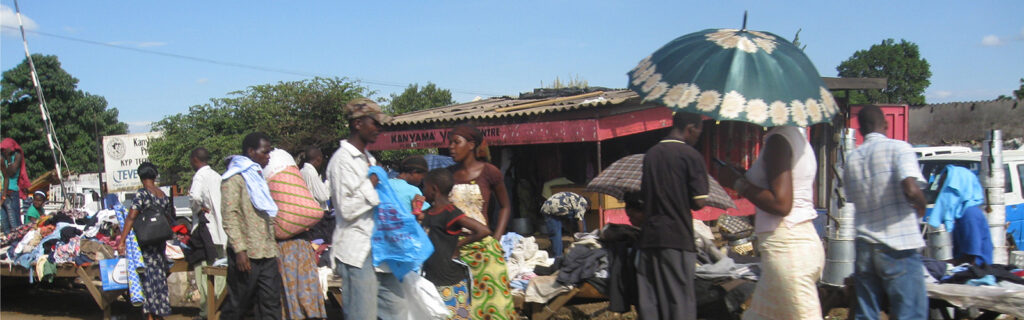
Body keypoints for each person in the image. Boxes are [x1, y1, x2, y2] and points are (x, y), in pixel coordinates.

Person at [717, 124, 824, 319]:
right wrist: (744, 176)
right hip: (795, 243)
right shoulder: (796, 139)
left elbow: (781, 204)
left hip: (788, 250)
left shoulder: (779, 141)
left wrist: (737, 182)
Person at [844, 105, 929, 320]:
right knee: (909, 313)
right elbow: (910, 188)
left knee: (866, 313)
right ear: (886, 124)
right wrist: (922, 205)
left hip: (865, 245)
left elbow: (852, 198)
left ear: (861, 130)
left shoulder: (853, 159)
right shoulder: (899, 148)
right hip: (898, 245)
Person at [327, 98, 407, 320]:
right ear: (357, 124)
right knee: (362, 315)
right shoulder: (342, 161)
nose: (379, 128)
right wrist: (371, 182)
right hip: (357, 251)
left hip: (382, 248)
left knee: (397, 311)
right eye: (375, 123)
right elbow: (346, 209)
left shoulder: (369, 158)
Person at [636, 111, 708, 320]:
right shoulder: (691, 156)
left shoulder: (652, 154)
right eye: (699, 133)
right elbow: (699, 202)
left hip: (649, 237)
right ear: (690, 129)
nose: (698, 138)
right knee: (679, 302)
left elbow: (646, 193)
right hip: (677, 237)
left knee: (651, 303)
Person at [447, 123, 515, 320]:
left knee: (495, 303)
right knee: (461, 303)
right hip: (455, 248)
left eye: (456, 142)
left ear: (471, 144)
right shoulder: (448, 174)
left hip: (484, 250)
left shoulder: (489, 172)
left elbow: (505, 206)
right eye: (449, 143)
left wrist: (496, 238)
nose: (451, 147)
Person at [220, 132, 283, 320]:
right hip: (246, 254)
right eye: (265, 152)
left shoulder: (258, 178)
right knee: (238, 305)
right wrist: (240, 250)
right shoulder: (233, 179)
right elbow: (229, 216)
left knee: (270, 303)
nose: (268, 156)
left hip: (267, 252)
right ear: (251, 152)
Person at [262, 148, 327, 320]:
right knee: (307, 292)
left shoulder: (263, 177)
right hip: (303, 244)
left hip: (283, 248)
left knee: (289, 295)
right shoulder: (291, 167)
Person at [419, 168, 491, 320]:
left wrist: (458, 245)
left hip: (450, 280)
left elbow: (483, 230)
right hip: (432, 278)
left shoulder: (451, 212)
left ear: (434, 189)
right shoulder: (430, 212)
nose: (422, 190)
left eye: (424, 186)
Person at [116, 162, 172, 319]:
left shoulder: (142, 194)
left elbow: (131, 217)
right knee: (159, 279)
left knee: (147, 281)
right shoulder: (162, 195)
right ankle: (160, 312)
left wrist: (122, 240)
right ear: (154, 176)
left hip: (146, 246)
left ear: (141, 177)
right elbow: (168, 218)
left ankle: (149, 315)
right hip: (159, 245)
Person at [187, 147, 227, 320]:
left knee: (203, 270)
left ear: (195, 159)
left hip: (206, 230)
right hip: (220, 232)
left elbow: (195, 197)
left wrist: (198, 210)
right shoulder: (217, 176)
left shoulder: (200, 176)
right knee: (219, 268)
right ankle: (218, 307)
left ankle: (206, 310)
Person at [1, 138, 30, 233]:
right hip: (3, 192)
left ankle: (16, 242)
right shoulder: (2, 157)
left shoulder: (17, 156)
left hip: (11, 191)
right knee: (4, 222)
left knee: (14, 223)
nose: (3, 151)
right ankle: (8, 242)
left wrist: (8, 159)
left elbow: (11, 173)